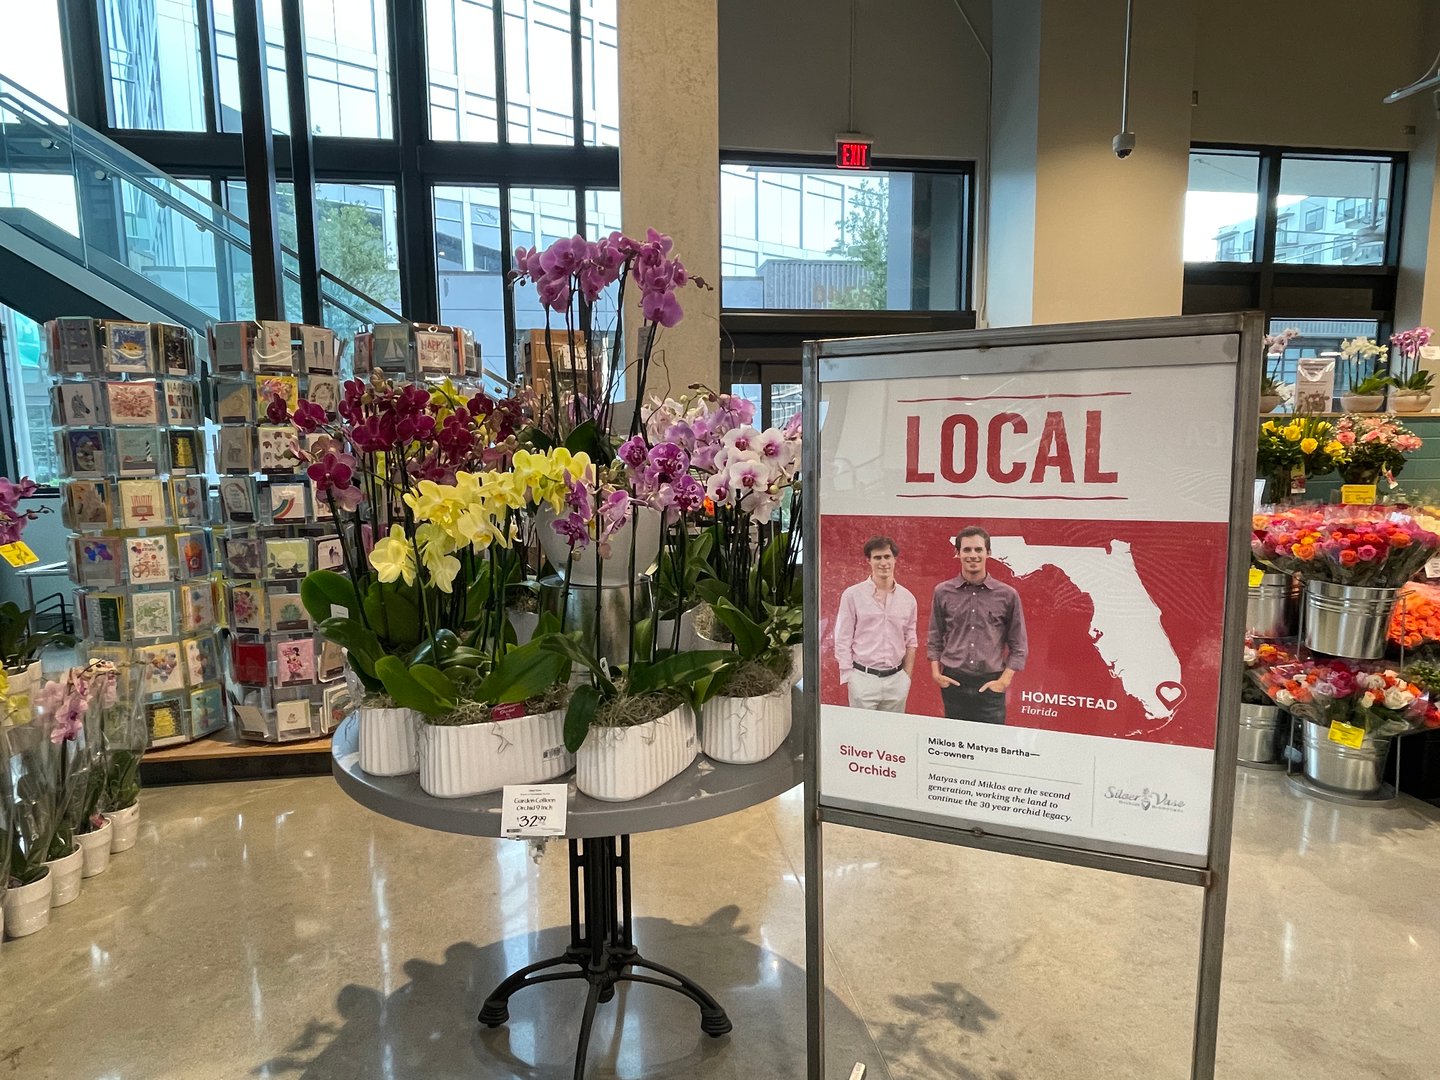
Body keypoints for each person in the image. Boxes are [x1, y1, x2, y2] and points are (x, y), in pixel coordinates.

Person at [927, 527, 1027, 724]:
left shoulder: (1007, 595)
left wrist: (1004, 681)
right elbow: (934, 636)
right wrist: (936, 673)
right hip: (953, 683)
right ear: (958, 554)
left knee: (990, 747)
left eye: (978, 550)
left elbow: (1019, 645)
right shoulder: (942, 592)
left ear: (988, 553)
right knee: (953, 746)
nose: (973, 555)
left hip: (990, 686)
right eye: (967, 550)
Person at [833, 536, 918, 712]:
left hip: (896, 681)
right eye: (877, 557)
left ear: (895, 559)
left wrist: (906, 678)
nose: (883, 562)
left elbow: (911, 640)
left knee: (892, 734)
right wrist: (850, 676)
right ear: (868, 561)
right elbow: (843, 637)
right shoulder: (852, 595)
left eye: (887, 557)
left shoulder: (908, 599)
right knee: (862, 736)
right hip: (863, 679)